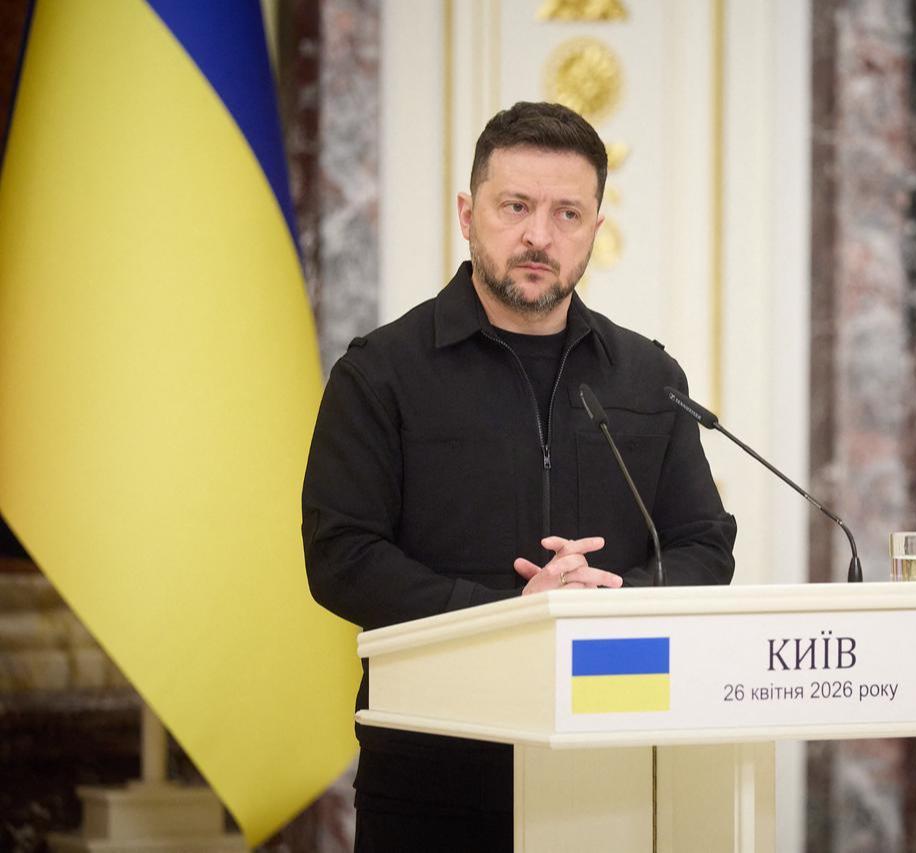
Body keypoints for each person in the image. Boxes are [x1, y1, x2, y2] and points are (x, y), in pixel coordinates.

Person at [301, 101, 736, 851]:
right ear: (468, 215)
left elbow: (703, 543)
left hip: (616, 761)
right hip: (434, 772)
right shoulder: (382, 372)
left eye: (568, 212)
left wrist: (610, 600)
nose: (540, 234)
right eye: (516, 207)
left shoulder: (647, 375)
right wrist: (512, 618)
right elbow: (342, 555)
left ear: (596, 230)